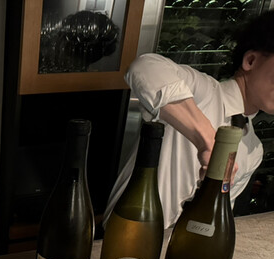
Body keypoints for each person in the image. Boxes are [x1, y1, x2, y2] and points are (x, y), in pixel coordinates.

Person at [104, 10, 274, 229]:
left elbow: (215, 216)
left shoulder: (253, 149)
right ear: (251, 60)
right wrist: (208, 141)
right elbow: (144, 67)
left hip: (180, 246)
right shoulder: (202, 91)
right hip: (126, 236)